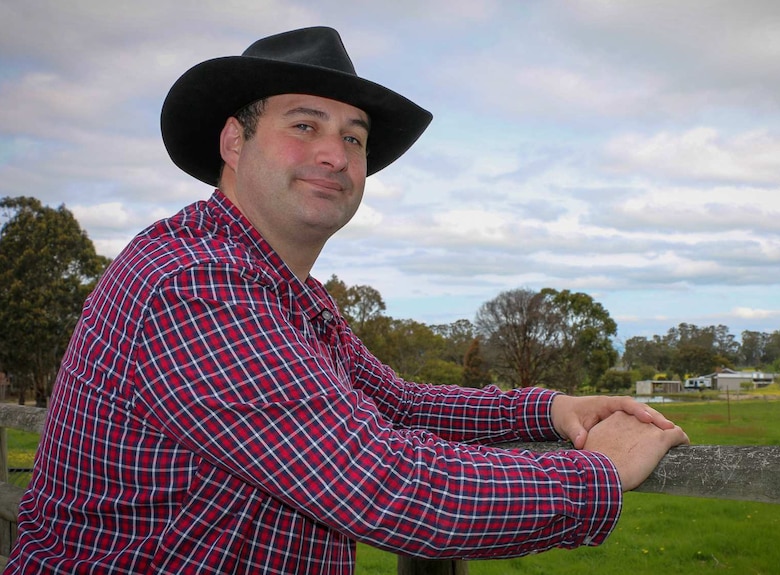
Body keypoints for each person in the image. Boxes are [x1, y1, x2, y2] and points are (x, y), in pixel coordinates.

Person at [5, 27, 688, 575]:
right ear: (233, 140)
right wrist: (596, 474)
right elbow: (385, 484)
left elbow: (399, 403)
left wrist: (548, 407)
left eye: (353, 137)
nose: (336, 154)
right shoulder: (194, 285)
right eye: (305, 125)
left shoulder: (287, 294)